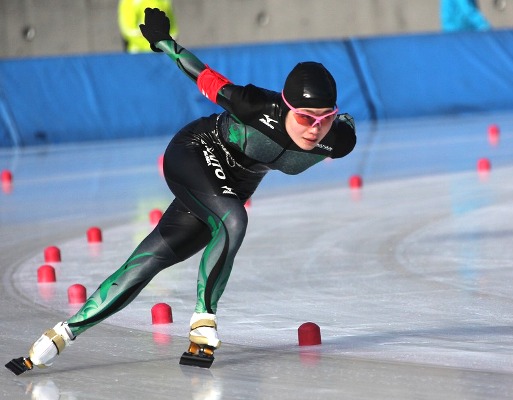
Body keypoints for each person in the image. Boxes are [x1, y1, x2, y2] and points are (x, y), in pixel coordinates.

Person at [6, 7, 356, 375]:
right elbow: (206, 78)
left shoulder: (337, 140)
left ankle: (58, 336)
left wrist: (337, 125)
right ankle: (204, 321)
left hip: (224, 188)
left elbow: (343, 128)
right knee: (234, 218)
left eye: (324, 117)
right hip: (196, 150)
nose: (314, 128)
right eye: (304, 117)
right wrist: (164, 43)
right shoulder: (255, 105)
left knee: (149, 260)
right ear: (286, 106)